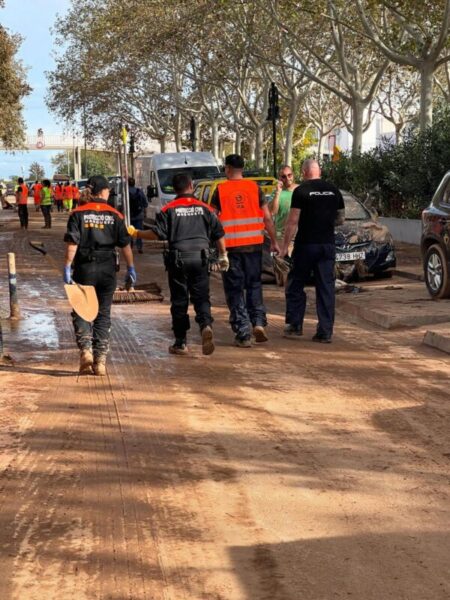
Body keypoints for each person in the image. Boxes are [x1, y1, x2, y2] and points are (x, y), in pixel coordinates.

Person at [128, 172, 227, 356]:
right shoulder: (205, 208)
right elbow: (219, 234)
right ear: (191, 185)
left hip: (178, 260)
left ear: (174, 189)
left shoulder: (169, 209)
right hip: (201, 259)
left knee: (180, 300)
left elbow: (157, 234)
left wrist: (137, 233)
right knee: (201, 297)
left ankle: (181, 342)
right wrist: (223, 255)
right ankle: (205, 325)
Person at [63, 175, 136, 375]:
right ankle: (100, 361)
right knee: (103, 313)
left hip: (84, 267)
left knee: (81, 309)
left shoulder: (77, 213)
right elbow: (125, 246)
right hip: (107, 268)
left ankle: (86, 351)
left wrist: (68, 266)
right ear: (103, 191)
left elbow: (73, 243)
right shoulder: (116, 215)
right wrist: (130, 268)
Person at [210, 154, 280, 348]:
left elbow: (213, 220)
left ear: (227, 169)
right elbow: (267, 218)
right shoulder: (254, 189)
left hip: (231, 249)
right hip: (254, 247)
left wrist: (213, 246)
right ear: (242, 168)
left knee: (235, 290)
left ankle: (243, 333)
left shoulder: (221, 190)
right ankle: (258, 322)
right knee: (254, 285)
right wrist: (274, 241)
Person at [280, 159, 345, 343]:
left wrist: (285, 247)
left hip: (306, 245)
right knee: (325, 287)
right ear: (320, 171)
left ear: (303, 172)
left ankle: (294, 325)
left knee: (295, 284)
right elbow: (341, 219)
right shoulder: (334, 190)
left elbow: (292, 221)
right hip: (327, 245)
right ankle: (325, 332)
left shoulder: (301, 191)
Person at [269, 165, 299, 243]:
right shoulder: (276, 193)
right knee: (281, 255)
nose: (287, 178)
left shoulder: (301, 190)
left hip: (299, 235)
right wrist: (278, 192)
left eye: (289, 175)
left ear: (293, 174)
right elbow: (272, 211)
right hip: (281, 236)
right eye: (283, 176)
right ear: (280, 178)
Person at [128, 177, 148, 254]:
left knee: (129, 231)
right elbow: (145, 204)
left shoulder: (125, 192)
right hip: (139, 215)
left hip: (129, 215)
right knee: (139, 231)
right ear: (134, 183)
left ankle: (130, 246)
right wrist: (144, 213)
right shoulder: (139, 191)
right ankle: (139, 247)